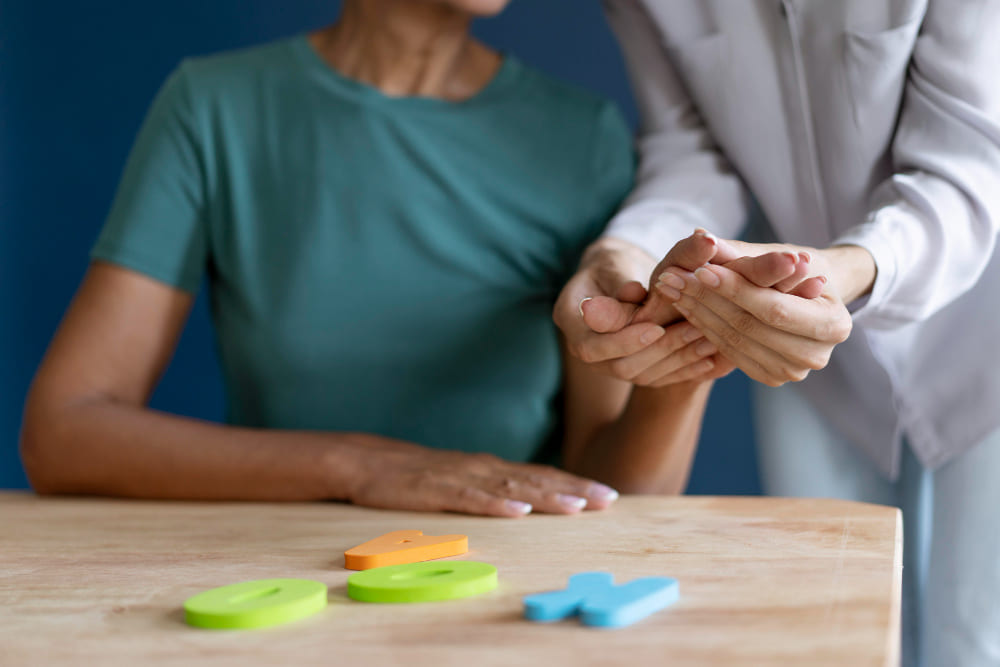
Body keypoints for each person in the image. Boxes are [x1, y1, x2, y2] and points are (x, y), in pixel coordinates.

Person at [20, 0, 807, 517]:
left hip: (505, 604)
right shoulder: (214, 109)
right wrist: (355, 466)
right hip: (273, 591)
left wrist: (691, 353)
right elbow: (66, 430)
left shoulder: (579, 137)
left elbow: (604, 487)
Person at [554, 2, 1000, 665]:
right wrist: (622, 257)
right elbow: (691, 148)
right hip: (784, 334)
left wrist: (840, 270)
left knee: (976, 636)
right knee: (829, 628)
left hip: (976, 325)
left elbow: (966, 161)